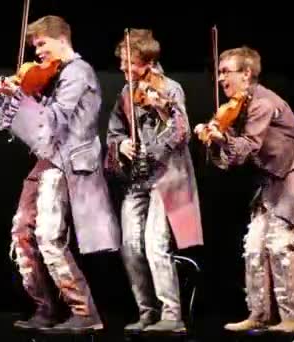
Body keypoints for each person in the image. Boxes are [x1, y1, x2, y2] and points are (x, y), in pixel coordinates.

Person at [193, 46, 294, 334]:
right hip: (270, 181)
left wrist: (222, 138)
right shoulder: (239, 106)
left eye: (226, 72)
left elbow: (248, 147)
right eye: (219, 72)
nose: (221, 79)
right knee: (255, 245)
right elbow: (232, 160)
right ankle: (259, 313)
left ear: (246, 74)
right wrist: (215, 138)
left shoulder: (262, 103)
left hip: (293, 176)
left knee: (280, 244)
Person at [0, 15, 121, 332]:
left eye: (41, 44)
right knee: (21, 232)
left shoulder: (78, 72)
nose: (37, 53)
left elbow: (55, 120)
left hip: (67, 161)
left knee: (49, 236)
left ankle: (84, 312)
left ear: (61, 39)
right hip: (48, 158)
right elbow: (32, 127)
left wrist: (23, 99)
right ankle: (46, 307)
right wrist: (14, 99)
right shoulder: (56, 74)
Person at [104, 29, 203, 333]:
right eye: (122, 62)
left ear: (146, 62)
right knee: (130, 245)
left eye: (129, 62)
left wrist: (162, 111)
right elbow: (114, 131)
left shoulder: (170, 89)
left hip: (165, 176)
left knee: (154, 243)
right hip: (137, 179)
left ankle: (172, 315)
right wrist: (121, 145)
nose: (123, 68)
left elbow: (181, 132)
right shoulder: (125, 93)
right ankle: (147, 311)